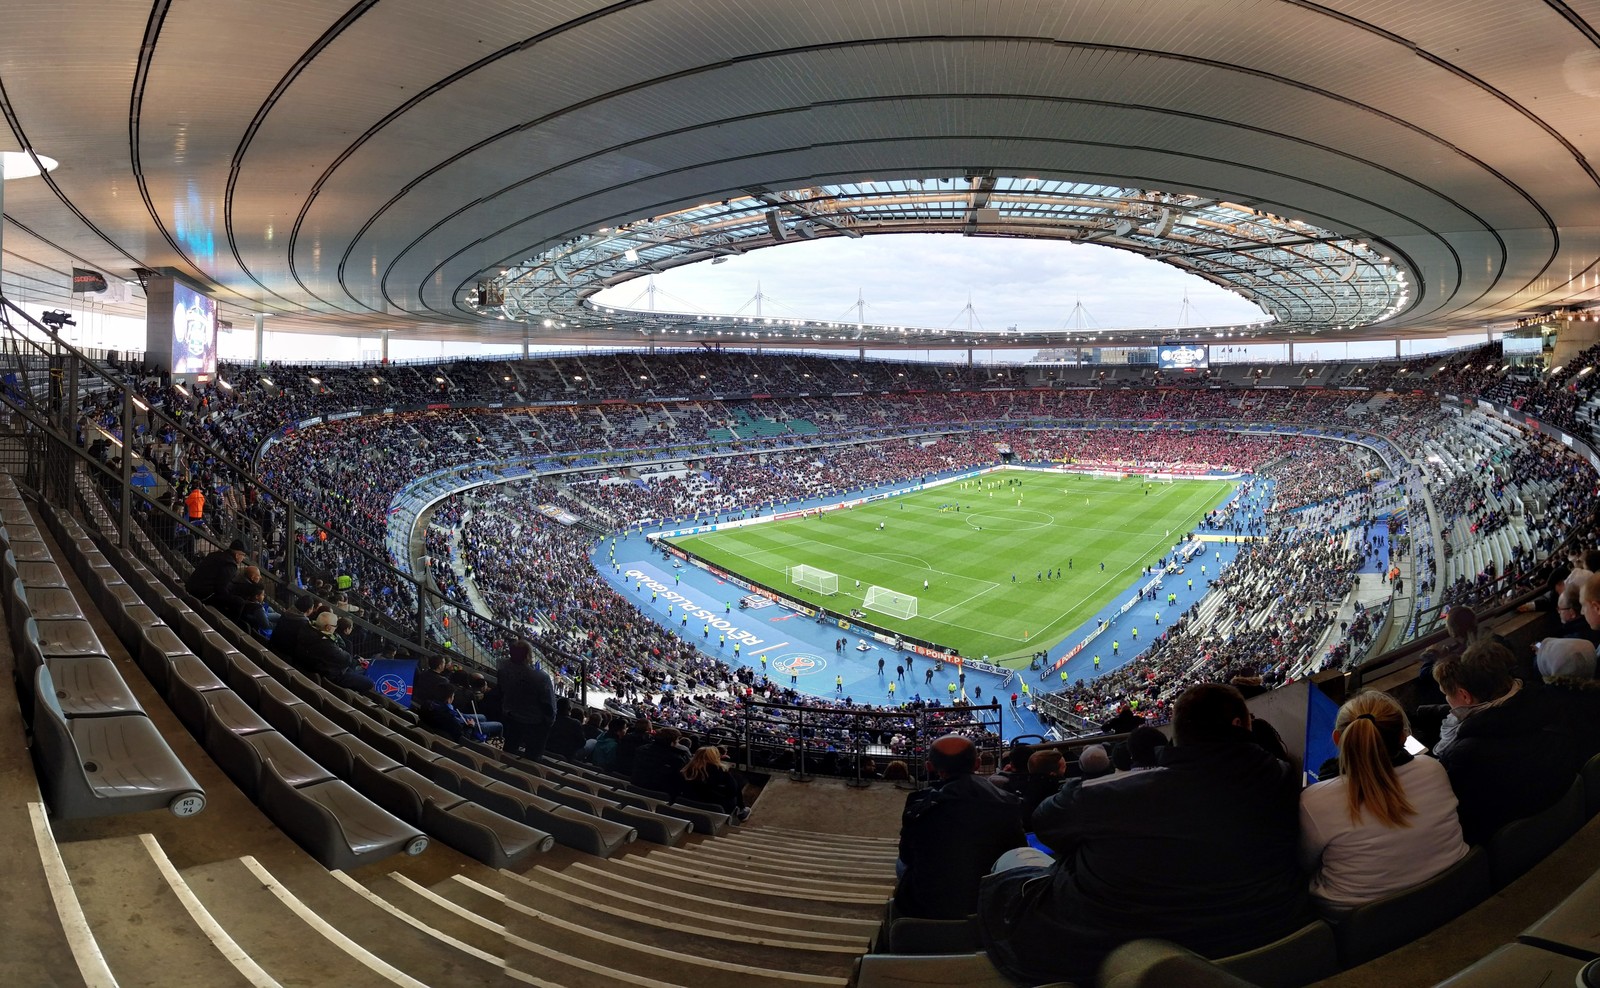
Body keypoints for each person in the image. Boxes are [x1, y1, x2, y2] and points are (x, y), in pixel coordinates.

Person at [977, 683, 1306, 984]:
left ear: (1179, 733)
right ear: (1240, 726)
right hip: (1272, 939)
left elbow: (1046, 822)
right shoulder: (1282, 777)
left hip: (1125, 952)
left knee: (1013, 862)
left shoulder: (1116, 794)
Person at [1299, 691, 1469, 918]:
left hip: (1361, 923)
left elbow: (1304, 864)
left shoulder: (1314, 801)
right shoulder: (1432, 768)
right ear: (1403, 737)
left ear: (1338, 739)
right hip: (1455, 894)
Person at [1430, 641, 1579, 844]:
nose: (1448, 701)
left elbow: (1462, 819)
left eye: (1448, 694)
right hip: (1563, 822)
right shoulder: (1546, 701)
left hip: (1518, 847)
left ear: (1465, 695)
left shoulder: (1465, 754)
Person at [894, 735, 1026, 920]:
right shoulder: (1008, 801)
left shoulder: (919, 804)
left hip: (925, 905)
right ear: (977, 764)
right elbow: (1016, 850)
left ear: (929, 767)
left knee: (900, 864)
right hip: (988, 902)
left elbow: (906, 855)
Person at [498, 639, 557, 759]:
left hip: (511, 716)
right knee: (532, 757)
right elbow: (549, 705)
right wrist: (549, 722)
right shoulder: (541, 677)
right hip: (535, 723)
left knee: (509, 750)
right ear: (528, 656)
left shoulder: (502, 669)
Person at [299, 610, 377, 694]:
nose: (336, 628)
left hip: (316, 668)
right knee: (369, 683)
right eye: (335, 626)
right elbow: (346, 659)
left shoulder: (307, 630)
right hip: (330, 675)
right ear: (328, 627)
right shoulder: (327, 644)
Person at [677, 745, 750, 820]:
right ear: (714, 757)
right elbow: (732, 792)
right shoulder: (721, 771)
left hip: (689, 801)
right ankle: (741, 810)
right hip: (716, 805)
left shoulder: (686, 770)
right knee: (736, 788)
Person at [631, 727, 690, 794]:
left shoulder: (641, 749)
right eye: (677, 741)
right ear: (672, 743)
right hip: (660, 795)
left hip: (635, 788)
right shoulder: (676, 760)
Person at [187, 539, 246, 603]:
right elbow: (221, 587)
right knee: (239, 602)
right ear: (237, 555)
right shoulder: (230, 564)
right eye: (243, 555)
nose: (244, 558)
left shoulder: (215, 555)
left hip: (191, 588)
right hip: (202, 595)